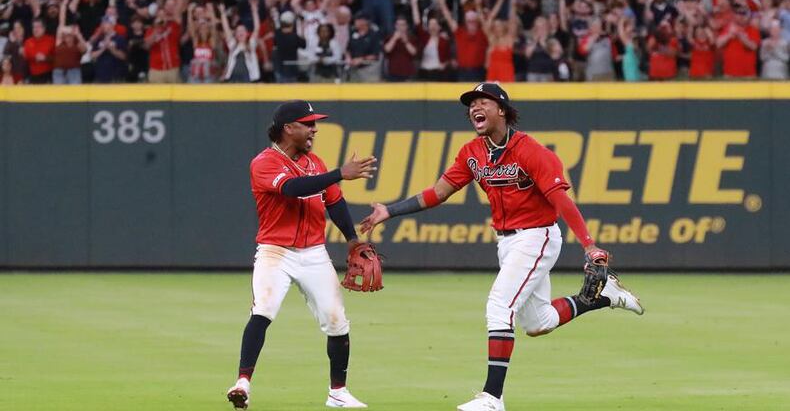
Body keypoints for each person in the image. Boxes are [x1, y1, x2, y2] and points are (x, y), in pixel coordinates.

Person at [360, 83, 644, 411]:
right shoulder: (472, 152)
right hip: (507, 242)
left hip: (537, 236)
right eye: (471, 104)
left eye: (483, 102)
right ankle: (603, 296)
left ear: (502, 110)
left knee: (498, 305)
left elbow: (561, 200)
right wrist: (389, 211)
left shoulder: (531, 151)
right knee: (538, 322)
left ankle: (492, 397)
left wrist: (590, 245)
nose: (474, 108)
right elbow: (438, 192)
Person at [226, 100, 377, 410]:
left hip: (314, 253)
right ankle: (243, 382)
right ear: (288, 128)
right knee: (264, 309)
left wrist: (351, 239)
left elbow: (334, 203)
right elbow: (294, 189)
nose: (314, 129)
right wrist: (339, 173)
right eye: (308, 124)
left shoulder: (316, 163)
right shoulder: (264, 162)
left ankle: (338, 392)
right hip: (275, 252)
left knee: (337, 321)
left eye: (314, 123)